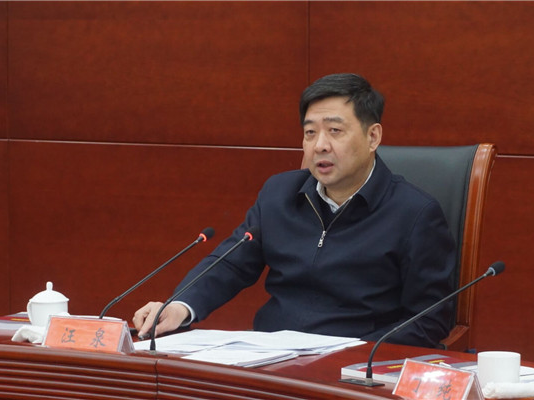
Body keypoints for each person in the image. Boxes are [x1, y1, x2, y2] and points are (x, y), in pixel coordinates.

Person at [133, 73, 456, 347]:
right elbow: (231, 263)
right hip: (271, 357)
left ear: (373, 137)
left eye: (335, 131)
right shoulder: (279, 194)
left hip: (351, 368)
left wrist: (356, 356)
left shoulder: (414, 214)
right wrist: (180, 306)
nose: (320, 145)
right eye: (310, 132)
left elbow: (430, 318)